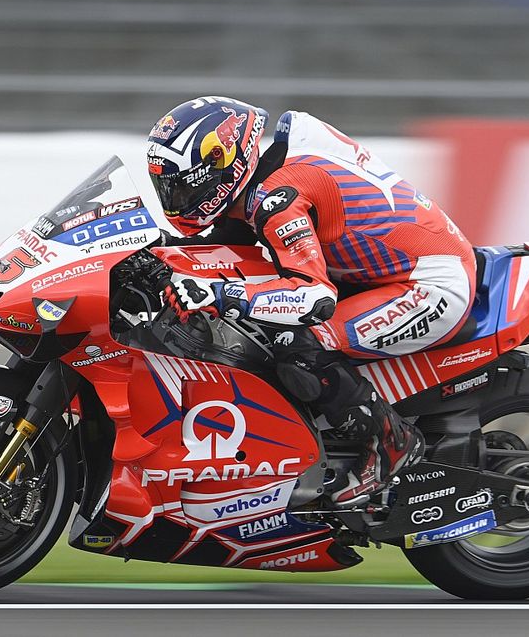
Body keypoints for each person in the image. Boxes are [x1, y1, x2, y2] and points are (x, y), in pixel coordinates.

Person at [146, 97, 476, 506]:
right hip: (377, 273)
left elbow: (312, 298)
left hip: (428, 285)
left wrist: (218, 294)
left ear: (220, 165)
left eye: (182, 185)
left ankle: (391, 443)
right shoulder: (254, 184)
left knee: (296, 345)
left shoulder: (278, 197)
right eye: (168, 186)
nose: (176, 197)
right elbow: (213, 250)